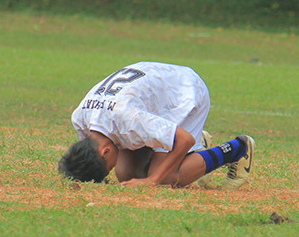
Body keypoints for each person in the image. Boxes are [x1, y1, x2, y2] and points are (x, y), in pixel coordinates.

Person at [58, 61, 255, 188]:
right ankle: (191, 155)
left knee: (166, 178)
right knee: (127, 175)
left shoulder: (129, 119)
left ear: (105, 152)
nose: (110, 170)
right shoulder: (80, 118)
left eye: (107, 168)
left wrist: (152, 180)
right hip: (154, 96)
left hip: (183, 94)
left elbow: (184, 140)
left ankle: (238, 149)